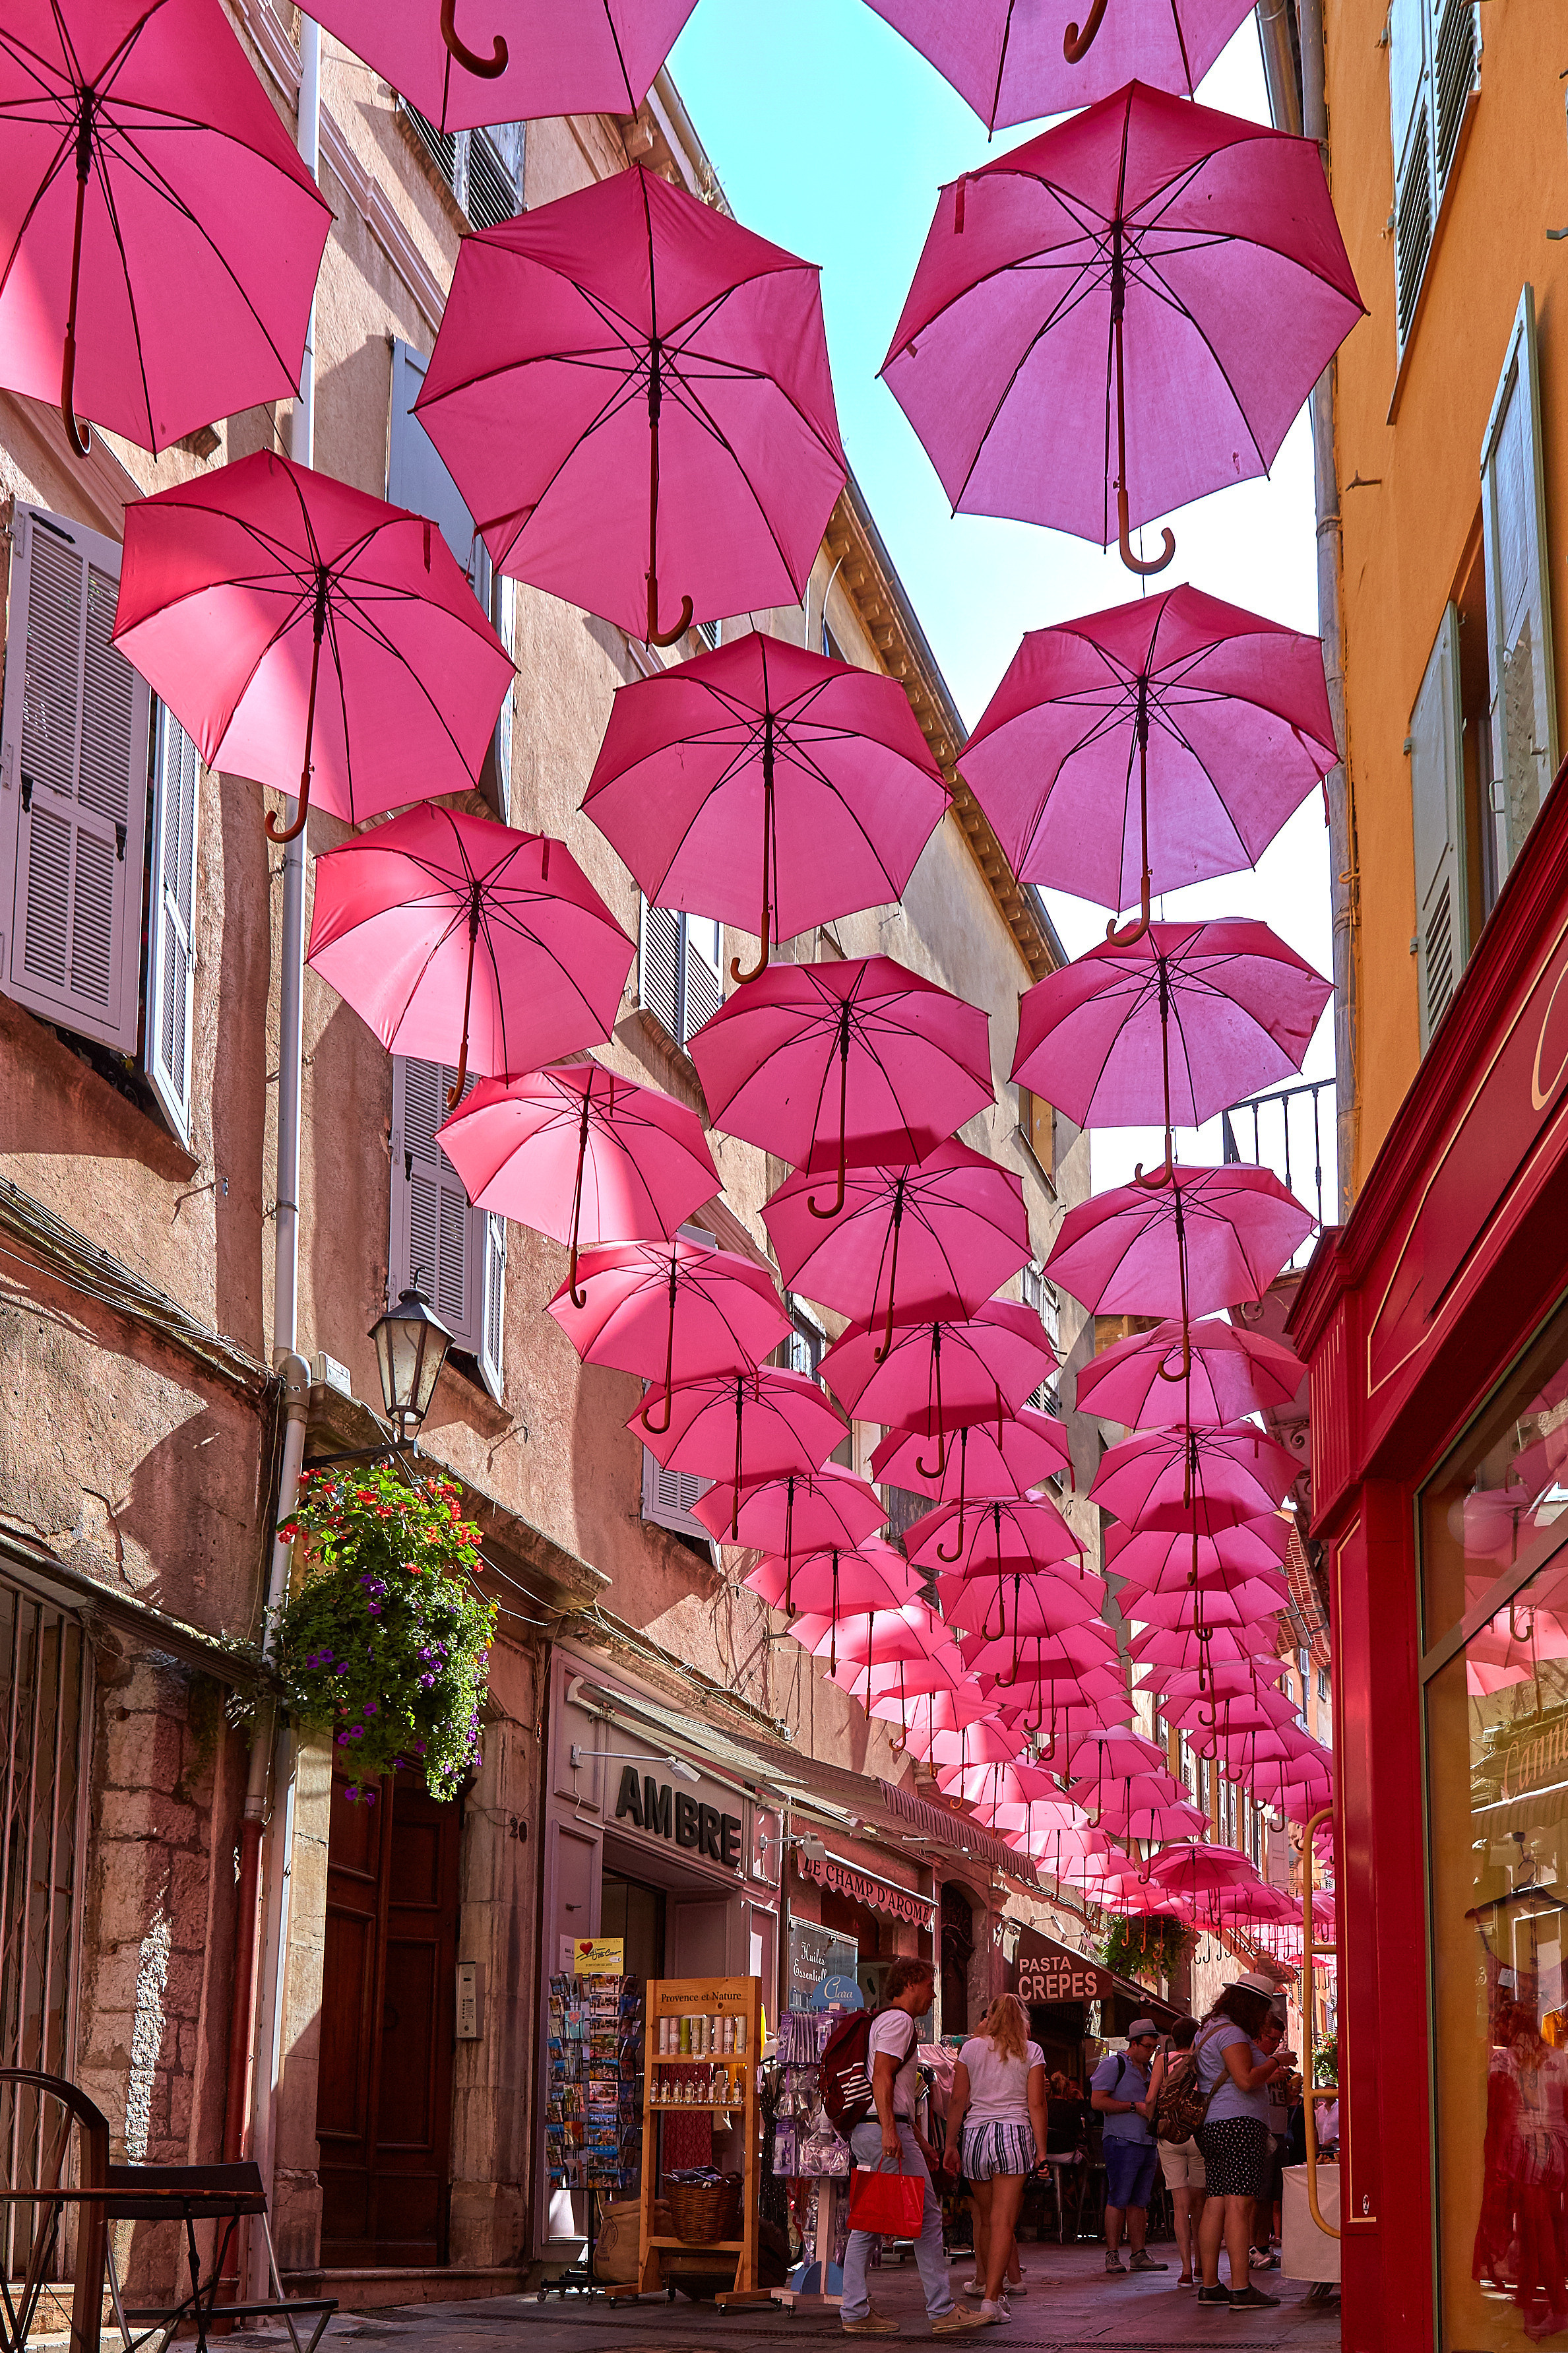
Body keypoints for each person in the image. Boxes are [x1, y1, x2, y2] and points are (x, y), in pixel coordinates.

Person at [840, 1957, 983, 2338]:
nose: (934, 1994)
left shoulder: (888, 2021)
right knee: (928, 2217)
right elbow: (882, 2077)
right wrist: (891, 2132)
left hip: (879, 2129)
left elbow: (896, 2092)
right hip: (884, 2131)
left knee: (870, 2220)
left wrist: (919, 2140)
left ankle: (854, 2310)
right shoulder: (898, 2021)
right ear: (911, 1982)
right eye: (930, 1985)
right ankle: (941, 2310)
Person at [1192, 1971, 1296, 2311]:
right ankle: (1241, 2287)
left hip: (1213, 2126)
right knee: (1239, 2205)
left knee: (1216, 2202)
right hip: (1238, 2124)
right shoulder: (1233, 2033)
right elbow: (1246, 2080)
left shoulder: (1207, 2030)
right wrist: (1275, 2061)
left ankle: (1210, 2285)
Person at [943, 1993, 1049, 2321]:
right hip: (1014, 2135)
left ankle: (993, 2289)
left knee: (986, 2220)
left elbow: (958, 2100)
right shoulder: (1031, 2052)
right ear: (1022, 2020)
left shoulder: (971, 2049)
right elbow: (1036, 2105)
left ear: (990, 2017)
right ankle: (991, 2299)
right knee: (1005, 2221)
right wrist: (1041, 2152)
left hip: (976, 2136)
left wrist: (950, 2145)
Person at [1090, 2020, 1170, 2277]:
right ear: (1133, 2043)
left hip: (1147, 2141)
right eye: (1147, 2047)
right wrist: (1134, 2106)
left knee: (1140, 2201)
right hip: (1121, 2140)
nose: (1150, 2052)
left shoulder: (1150, 2070)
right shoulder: (1114, 2065)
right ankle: (1112, 2253)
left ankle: (1138, 2253)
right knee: (1119, 2198)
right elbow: (1097, 2101)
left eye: (1154, 2048)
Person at [1146, 2016, 1207, 2287]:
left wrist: (1152, 2123)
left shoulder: (1162, 2059)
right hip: (1196, 2133)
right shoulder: (1202, 2059)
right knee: (1200, 2206)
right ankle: (1201, 2266)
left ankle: (1184, 2270)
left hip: (1169, 2134)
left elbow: (1150, 2098)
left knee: (1180, 2207)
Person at [1251, 2012, 1290, 2269]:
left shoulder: (1274, 2063)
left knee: (1272, 2195)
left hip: (1279, 2131)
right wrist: (1269, 2076)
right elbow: (1246, 2082)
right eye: (1271, 2039)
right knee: (1257, 2195)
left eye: (1279, 2040)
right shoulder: (1254, 2059)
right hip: (1262, 2132)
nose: (1275, 2045)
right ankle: (1251, 2246)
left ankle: (1263, 2245)